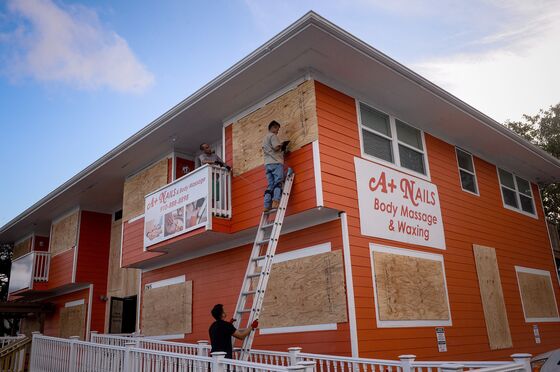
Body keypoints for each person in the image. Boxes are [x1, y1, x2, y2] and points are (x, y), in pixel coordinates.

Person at [262, 120, 287, 211]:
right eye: (277, 129)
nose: (278, 131)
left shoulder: (264, 138)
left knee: (270, 185)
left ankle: (266, 205)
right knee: (278, 182)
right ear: (273, 127)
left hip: (268, 164)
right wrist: (282, 145)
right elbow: (276, 147)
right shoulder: (273, 136)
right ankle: (275, 201)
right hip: (276, 162)